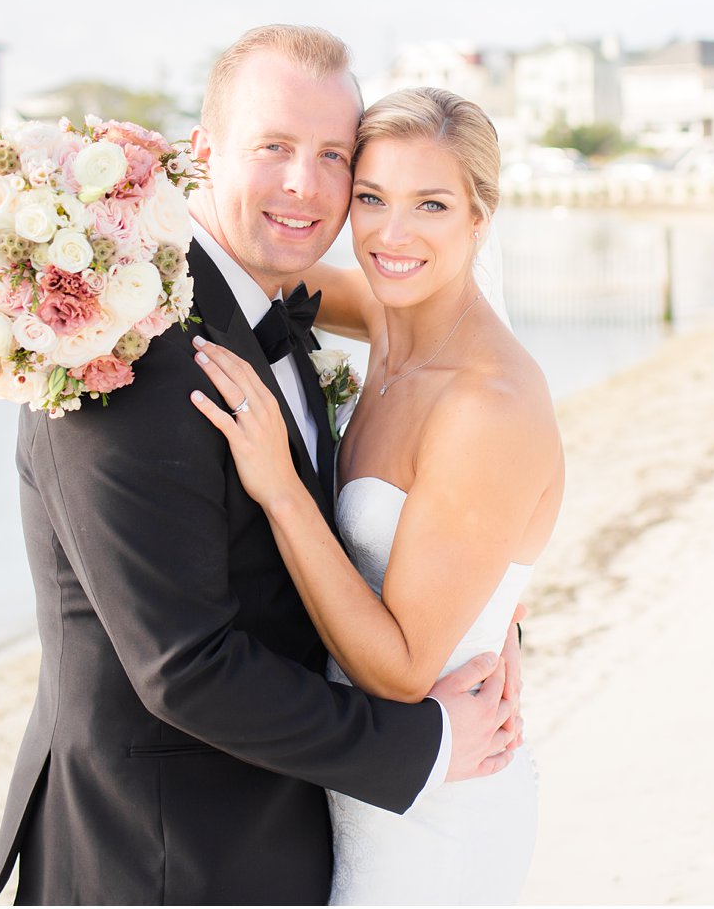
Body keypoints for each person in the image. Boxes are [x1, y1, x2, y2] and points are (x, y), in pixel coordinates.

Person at [0, 27, 524, 906]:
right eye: (273, 147)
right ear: (202, 155)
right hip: (163, 852)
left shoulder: (271, 305)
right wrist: (421, 746)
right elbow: (183, 667)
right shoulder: (128, 347)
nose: (304, 185)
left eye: (332, 155)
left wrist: (487, 615)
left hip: (276, 827)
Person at [189, 86, 565, 904]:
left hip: (440, 806)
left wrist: (281, 488)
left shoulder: (486, 406)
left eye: (430, 204)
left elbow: (398, 671)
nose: (392, 236)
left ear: (480, 216)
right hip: (366, 783)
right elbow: (247, 255)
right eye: (370, 198)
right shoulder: (391, 313)